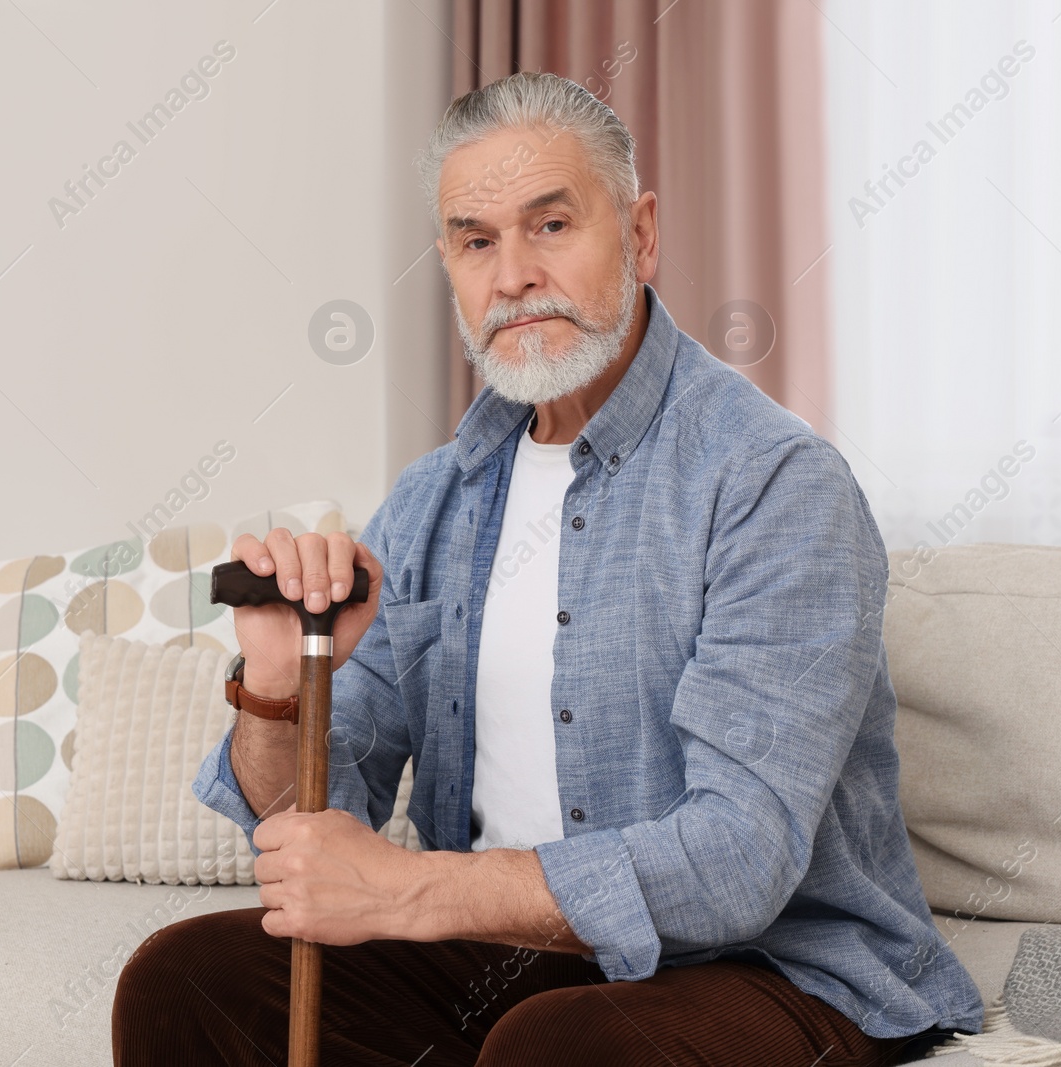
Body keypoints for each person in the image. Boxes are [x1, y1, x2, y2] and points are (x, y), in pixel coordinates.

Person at [111, 71, 982, 1067]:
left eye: (551, 225)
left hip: (771, 967)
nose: (513, 273)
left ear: (641, 234)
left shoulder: (771, 481)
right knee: (187, 977)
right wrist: (275, 685)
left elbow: (741, 858)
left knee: (557, 1047)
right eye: (477, 240)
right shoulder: (434, 498)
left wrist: (407, 890)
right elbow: (314, 819)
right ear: (449, 265)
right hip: (505, 955)